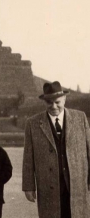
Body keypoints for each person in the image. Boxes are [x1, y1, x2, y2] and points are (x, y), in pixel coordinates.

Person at [22, 81, 90, 218]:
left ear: (64, 99)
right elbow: (28, 158)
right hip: (48, 187)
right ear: (44, 102)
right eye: (49, 102)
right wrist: (28, 186)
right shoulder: (33, 123)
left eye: (57, 102)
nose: (53, 106)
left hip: (77, 185)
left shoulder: (80, 118)